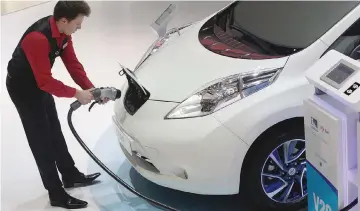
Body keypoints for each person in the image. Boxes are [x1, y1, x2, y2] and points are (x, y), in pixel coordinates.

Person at [6, 0, 106, 209]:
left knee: (54, 131)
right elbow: (45, 81)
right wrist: (76, 93)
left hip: (39, 84)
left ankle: (70, 175)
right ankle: (56, 194)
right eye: (77, 24)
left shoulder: (63, 33)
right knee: (41, 140)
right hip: (23, 89)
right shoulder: (37, 39)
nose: (80, 27)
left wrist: (92, 90)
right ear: (64, 20)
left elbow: (73, 65)